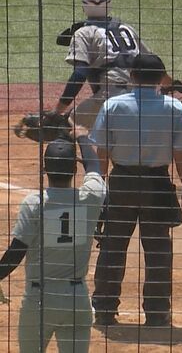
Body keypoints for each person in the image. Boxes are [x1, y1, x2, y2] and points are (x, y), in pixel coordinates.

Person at [89, 53, 182, 327]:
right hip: (157, 185)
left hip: (122, 182)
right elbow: (181, 154)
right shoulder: (173, 107)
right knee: (158, 250)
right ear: (161, 78)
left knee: (112, 247)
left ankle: (104, 309)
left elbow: (102, 151)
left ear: (131, 76)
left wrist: (99, 183)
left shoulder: (113, 106)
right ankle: (157, 313)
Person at [0, 124, 106, 352]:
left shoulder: (34, 203)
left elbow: (16, 252)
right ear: (74, 171)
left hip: (39, 299)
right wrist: (82, 137)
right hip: (76, 299)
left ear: (44, 170)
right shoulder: (91, 198)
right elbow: (95, 166)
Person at [52, 0, 172, 129]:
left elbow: (79, 74)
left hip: (110, 97)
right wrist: (170, 84)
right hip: (140, 97)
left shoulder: (83, 33)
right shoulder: (126, 29)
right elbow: (153, 63)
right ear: (109, 4)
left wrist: (57, 111)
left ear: (84, 6)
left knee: (65, 127)